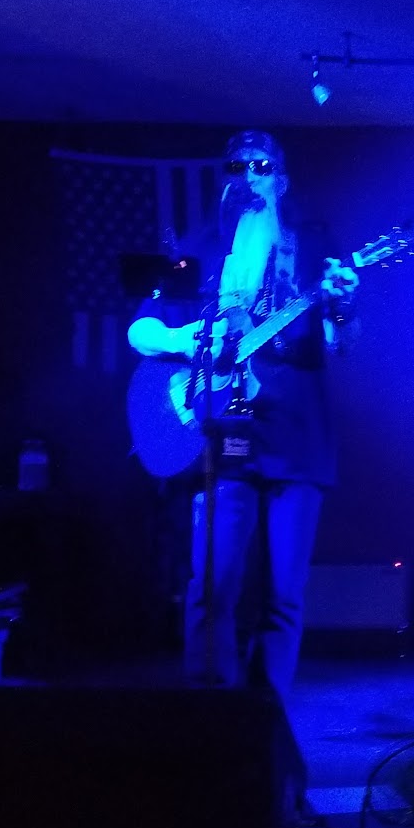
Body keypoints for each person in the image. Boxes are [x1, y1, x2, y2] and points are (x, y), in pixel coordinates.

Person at [126, 130, 357, 696]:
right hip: (223, 440)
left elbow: (341, 344)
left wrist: (342, 308)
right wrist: (189, 338)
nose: (249, 176)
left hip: (297, 441)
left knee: (284, 594)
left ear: (282, 178)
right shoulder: (201, 248)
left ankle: (265, 713)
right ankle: (209, 709)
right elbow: (141, 329)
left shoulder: (312, 244)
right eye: (237, 167)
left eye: (261, 166)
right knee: (212, 583)